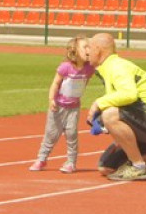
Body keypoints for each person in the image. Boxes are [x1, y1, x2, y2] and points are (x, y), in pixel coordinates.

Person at [85, 32, 146, 181]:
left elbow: (129, 94)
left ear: (98, 49)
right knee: (106, 167)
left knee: (110, 114)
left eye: (88, 48)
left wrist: (99, 103)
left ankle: (138, 167)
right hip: (145, 124)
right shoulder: (107, 68)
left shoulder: (117, 66)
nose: (86, 52)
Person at [29, 35, 96, 174]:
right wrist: (51, 99)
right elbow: (56, 83)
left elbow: (85, 81)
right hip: (58, 107)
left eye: (90, 47)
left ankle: (71, 162)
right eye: (85, 47)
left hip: (74, 108)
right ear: (75, 50)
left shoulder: (89, 69)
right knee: (51, 134)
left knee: (71, 134)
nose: (89, 50)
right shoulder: (65, 67)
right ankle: (42, 158)